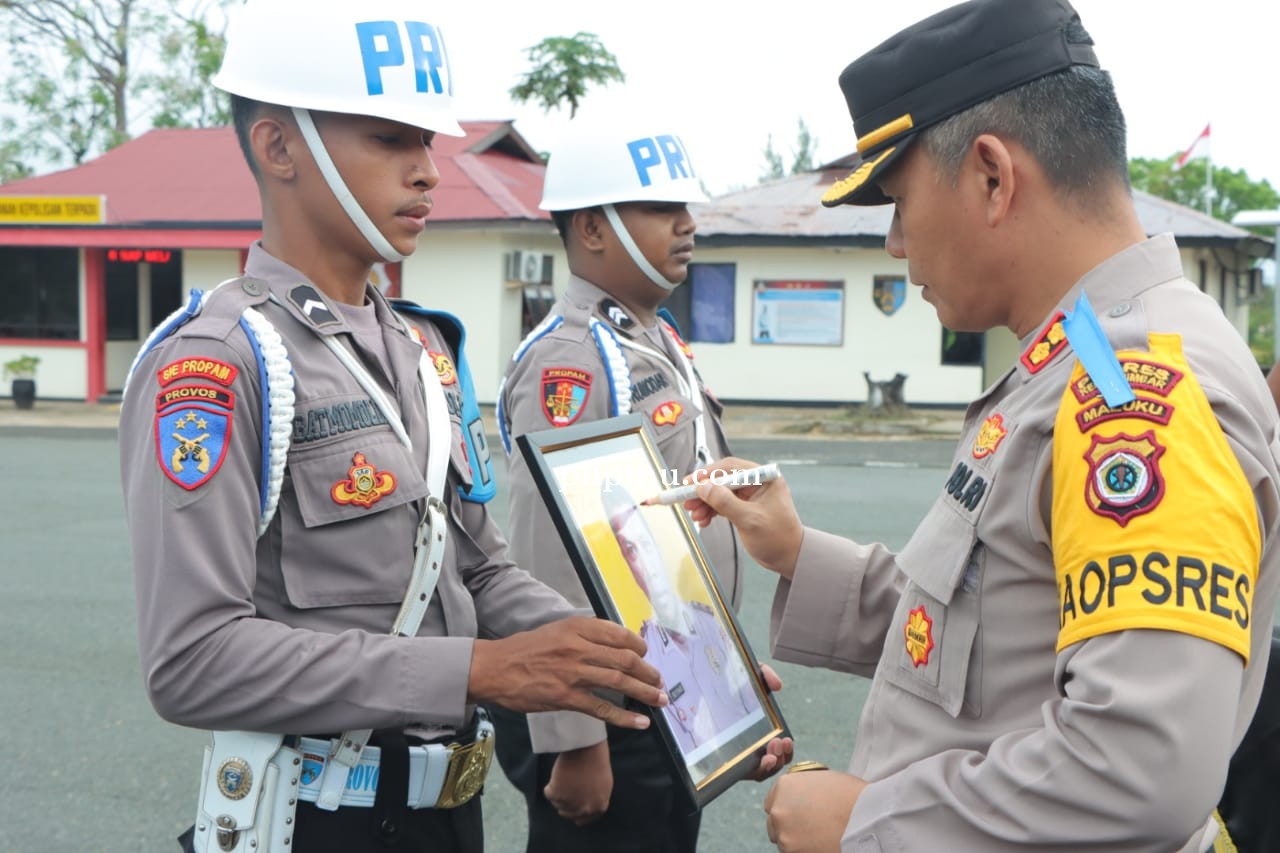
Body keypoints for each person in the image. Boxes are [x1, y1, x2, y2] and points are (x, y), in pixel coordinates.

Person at [684, 1, 1280, 850]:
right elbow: (992, 622)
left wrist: (868, 822)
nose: (894, 244)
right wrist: (795, 552)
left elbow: (1142, 768)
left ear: (994, 177)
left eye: (899, 202)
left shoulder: (1136, 395)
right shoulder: (1080, 354)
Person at [117, 3, 668, 851]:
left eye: (427, 143)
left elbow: (478, 570)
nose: (427, 172)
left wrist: (642, 653)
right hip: (314, 819)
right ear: (278, 147)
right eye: (390, 139)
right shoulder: (220, 362)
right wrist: (479, 671)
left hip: (450, 814)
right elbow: (192, 660)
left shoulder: (421, 349)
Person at [491, 121, 776, 852]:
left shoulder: (647, 338)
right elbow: (548, 551)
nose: (686, 224)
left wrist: (726, 676)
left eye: (683, 206)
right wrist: (574, 735)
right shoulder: (575, 360)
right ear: (591, 228)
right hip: (609, 709)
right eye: (658, 208)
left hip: (666, 682)